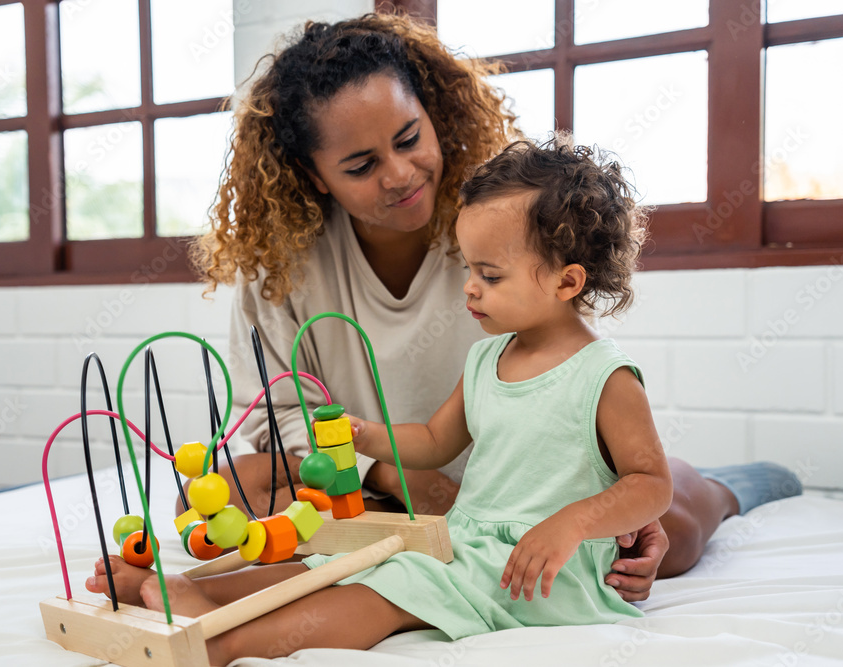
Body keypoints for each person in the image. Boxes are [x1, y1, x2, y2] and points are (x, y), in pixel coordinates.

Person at [178, 12, 802, 595]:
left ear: (432, 114)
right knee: (213, 497)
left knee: (675, 536)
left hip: (521, 483)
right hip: (373, 479)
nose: (399, 174)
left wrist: (599, 503)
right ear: (315, 175)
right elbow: (280, 415)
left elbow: (565, 366)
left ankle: (727, 486)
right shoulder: (280, 270)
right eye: (362, 164)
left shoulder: (496, 223)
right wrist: (397, 476)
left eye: (408, 137)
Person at [89, 137, 679, 662]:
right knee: (338, 561)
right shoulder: (486, 360)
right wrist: (366, 435)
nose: (470, 287)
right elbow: (432, 442)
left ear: (567, 282)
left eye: (490, 276)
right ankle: (183, 591)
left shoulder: (604, 375)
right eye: (468, 268)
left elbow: (650, 483)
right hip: (468, 541)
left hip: (546, 571)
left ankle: (223, 644)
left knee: (390, 588)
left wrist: (571, 524)